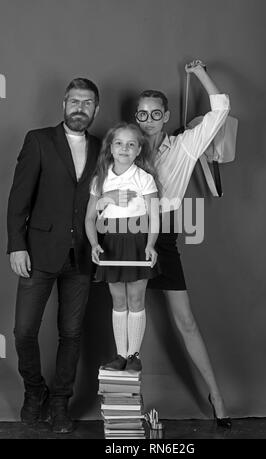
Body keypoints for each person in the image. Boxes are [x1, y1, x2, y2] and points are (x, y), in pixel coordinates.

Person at [103, 60, 232, 427]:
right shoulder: (125, 150)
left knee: (185, 321)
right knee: (126, 314)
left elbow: (221, 109)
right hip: (124, 236)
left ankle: (217, 396)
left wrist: (201, 72)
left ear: (166, 116)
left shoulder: (183, 147)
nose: (147, 119)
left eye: (155, 113)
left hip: (163, 235)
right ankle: (126, 409)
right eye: (141, 113)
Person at [7, 78, 101, 433]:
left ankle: (61, 401)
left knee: (71, 334)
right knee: (23, 332)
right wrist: (16, 244)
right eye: (74, 101)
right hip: (38, 251)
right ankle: (35, 392)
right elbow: (19, 199)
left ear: (96, 109)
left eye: (88, 102)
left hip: (81, 256)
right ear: (64, 104)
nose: (80, 107)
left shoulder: (103, 147)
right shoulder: (39, 140)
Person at [85, 123, 159, 372]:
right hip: (111, 243)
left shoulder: (144, 178)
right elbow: (90, 218)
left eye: (131, 144)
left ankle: (134, 356)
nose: (124, 148)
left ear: (139, 150)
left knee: (136, 299)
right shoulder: (101, 179)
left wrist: (150, 245)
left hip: (137, 240)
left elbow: (154, 217)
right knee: (118, 300)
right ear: (110, 147)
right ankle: (120, 355)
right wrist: (95, 243)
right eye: (119, 143)